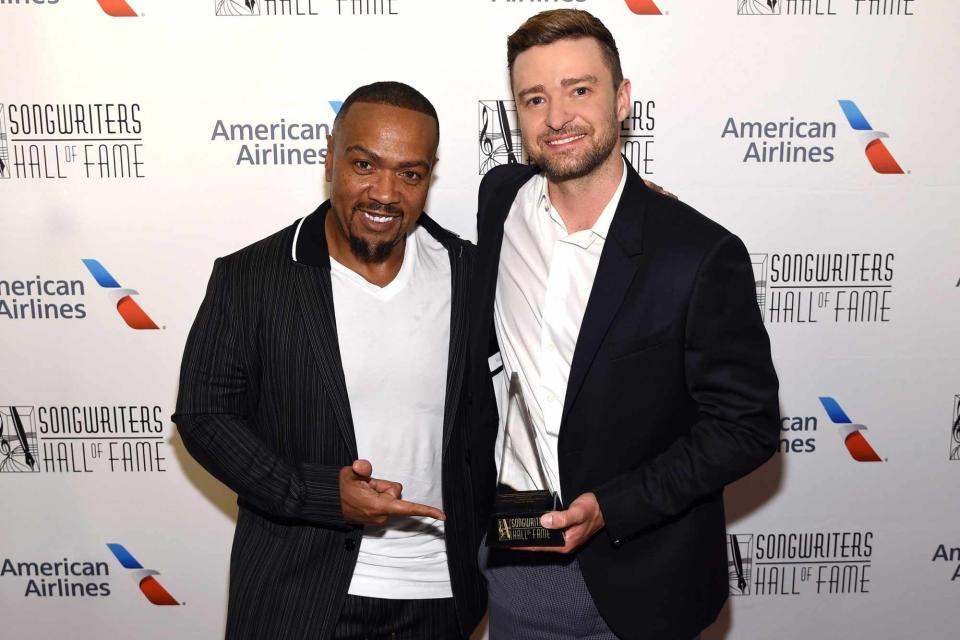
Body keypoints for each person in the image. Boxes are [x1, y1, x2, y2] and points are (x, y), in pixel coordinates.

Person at [469, 9, 780, 640]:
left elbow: (747, 426)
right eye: (535, 98)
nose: (557, 118)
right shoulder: (499, 198)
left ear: (623, 99)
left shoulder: (698, 254)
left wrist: (613, 507)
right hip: (514, 559)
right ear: (516, 114)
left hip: (640, 586)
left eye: (579, 90)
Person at [174, 82, 485, 640]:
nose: (385, 193)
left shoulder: (470, 273)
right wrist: (317, 495)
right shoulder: (253, 276)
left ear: (429, 176)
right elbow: (203, 416)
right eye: (365, 164)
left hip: (439, 597)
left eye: (410, 174)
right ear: (329, 158)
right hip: (296, 596)